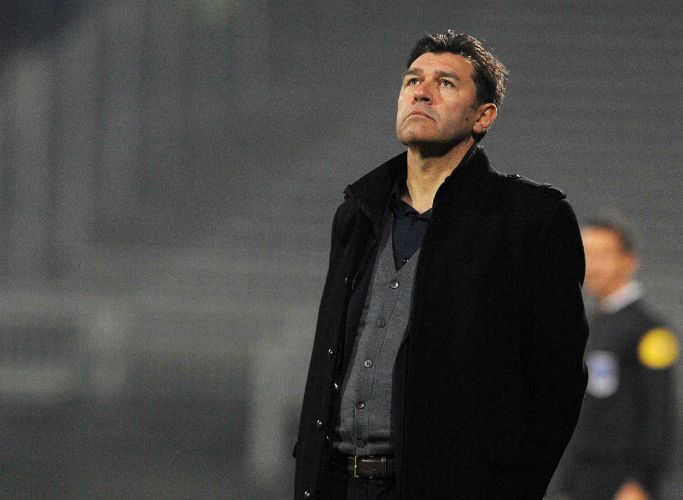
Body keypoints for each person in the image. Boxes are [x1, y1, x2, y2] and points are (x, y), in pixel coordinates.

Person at [294, 31, 589, 500]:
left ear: (483, 116)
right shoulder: (358, 214)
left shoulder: (531, 221)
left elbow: (557, 383)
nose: (422, 92)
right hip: (339, 484)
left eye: (445, 83)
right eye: (413, 80)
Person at [556, 218, 678, 500]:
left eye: (602, 255)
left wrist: (640, 482)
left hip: (621, 487)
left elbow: (660, 412)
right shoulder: (589, 326)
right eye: (585, 255)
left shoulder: (649, 331)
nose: (592, 265)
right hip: (582, 483)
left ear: (628, 261)